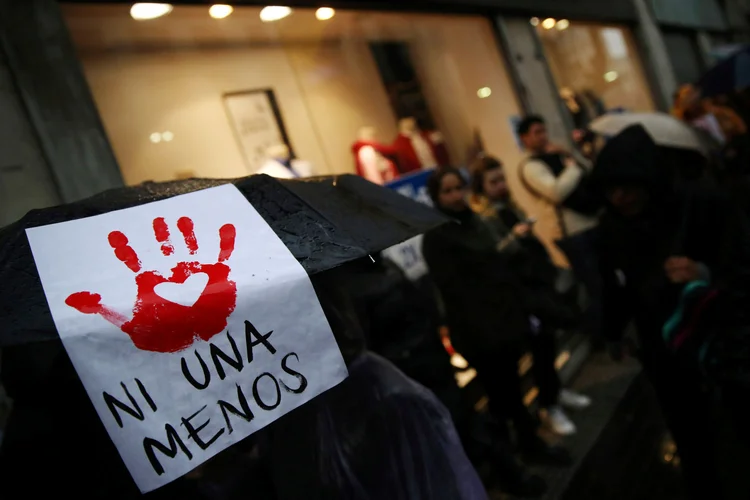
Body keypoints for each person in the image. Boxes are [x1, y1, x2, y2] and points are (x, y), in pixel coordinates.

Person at [592, 125, 750, 500]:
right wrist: (614, 331)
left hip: (724, 344)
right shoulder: (611, 228)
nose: (620, 198)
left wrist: (705, 275)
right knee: (691, 437)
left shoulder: (702, 205)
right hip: (664, 353)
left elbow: (742, 263)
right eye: (611, 190)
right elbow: (613, 287)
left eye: (628, 186)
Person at [422, 168, 571, 467]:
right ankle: (518, 455)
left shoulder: (478, 222)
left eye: (458, 188)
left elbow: (500, 267)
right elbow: (457, 291)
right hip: (478, 330)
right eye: (447, 191)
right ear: (436, 197)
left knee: (510, 392)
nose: (455, 196)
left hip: (504, 320)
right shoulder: (437, 236)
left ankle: (523, 450)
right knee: (503, 397)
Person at [469, 155, 592, 436]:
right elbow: (494, 257)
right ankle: (549, 405)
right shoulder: (484, 219)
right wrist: (514, 237)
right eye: (494, 182)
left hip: (536, 284)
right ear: (481, 187)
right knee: (539, 347)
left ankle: (556, 394)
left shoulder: (506, 207)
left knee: (548, 343)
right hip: (519, 293)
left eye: (502, 179)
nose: (501, 186)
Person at [506, 115, 603, 342]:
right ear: (524, 138)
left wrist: (569, 156)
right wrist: (571, 168)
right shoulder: (530, 167)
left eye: (543, 131)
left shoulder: (555, 157)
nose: (542, 137)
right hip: (570, 232)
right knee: (593, 286)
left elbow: (586, 169)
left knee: (601, 282)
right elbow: (556, 192)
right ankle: (597, 335)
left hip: (588, 223)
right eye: (536, 132)